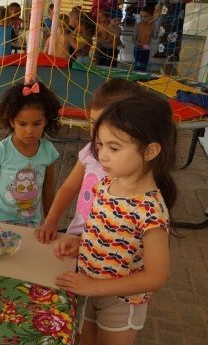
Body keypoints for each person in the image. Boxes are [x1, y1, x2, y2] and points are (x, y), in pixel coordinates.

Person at [54, 93, 176, 345]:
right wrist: (80, 244)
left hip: (122, 303)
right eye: (100, 146)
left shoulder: (151, 209)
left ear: (150, 150)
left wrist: (94, 288)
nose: (102, 156)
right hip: (92, 291)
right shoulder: (108, 184)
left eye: (113, 148)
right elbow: (108, 231)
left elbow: (157, 276)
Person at [35, 79, 145, 243]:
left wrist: (84, 245)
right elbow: (68, 187)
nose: (96, 131)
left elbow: (125, 228)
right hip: (76, 236)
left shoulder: (131, 165)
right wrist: (51, 220)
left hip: (104, 248)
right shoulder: (90, 150)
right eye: (93, 123)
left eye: (104, 123)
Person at [0, 81, 61, 226]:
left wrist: (50, 222)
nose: (30, 130)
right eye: (22, 124)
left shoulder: (48, 151)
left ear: (46, 121)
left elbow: (48, 189)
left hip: (31, 222)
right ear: (11, 122)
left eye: (37, 123)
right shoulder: (0, 151)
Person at [134, 5, 155, 71]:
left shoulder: (152, 26)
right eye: (141, 16)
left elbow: (155, 37)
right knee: (138, 66)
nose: (142, 18)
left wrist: (156, 25)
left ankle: (141, 79)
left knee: (144, 67)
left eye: (145, 16)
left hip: (146, 50)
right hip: (138, 49)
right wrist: (138, 44)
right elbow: (133, 39)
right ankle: (136, 79)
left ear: (151, 17)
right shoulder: (138, 25)